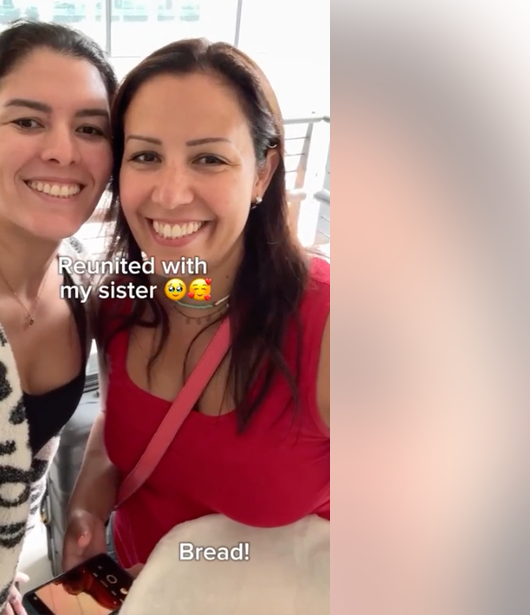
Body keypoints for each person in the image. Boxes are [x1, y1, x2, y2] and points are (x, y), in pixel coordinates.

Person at [61, 38, 332, 580]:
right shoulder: (120, 300)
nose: (170, 192)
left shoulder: (329, 325)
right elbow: (120, 424)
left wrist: (195, 567)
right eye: (145, 156)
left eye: (208, 158)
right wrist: (89, 505)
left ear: (261, 172)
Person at [0, 21, 118, 615]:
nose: (63, 150)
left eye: (90, 128)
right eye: (28, 121)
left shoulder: (74, 281)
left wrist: (0, 577)